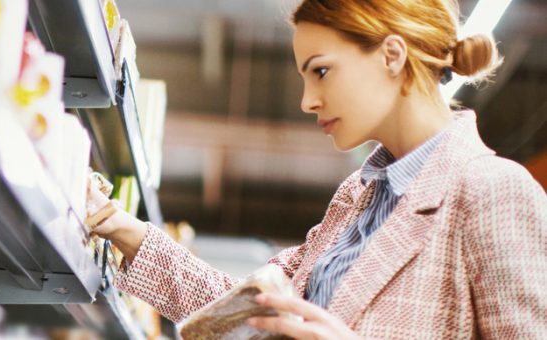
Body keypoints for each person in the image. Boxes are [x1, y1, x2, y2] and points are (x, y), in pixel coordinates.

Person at [85, 0, 547, 338]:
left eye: (321, 71)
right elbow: (255, 312)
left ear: (392, 55)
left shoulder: (493, 191)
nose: (307, 100)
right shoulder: (356, 198)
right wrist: (129, 233)